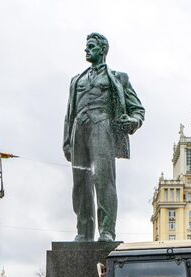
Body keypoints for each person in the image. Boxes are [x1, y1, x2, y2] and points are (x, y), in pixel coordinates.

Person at [63, 33, 145, 242]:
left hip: (103, 126)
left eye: (91, 46)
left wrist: (133, 121)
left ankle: (107, 231)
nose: (86, 50)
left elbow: (138, 109)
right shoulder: (76, 80)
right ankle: (84, 232)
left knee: (103, 179)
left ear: (102, 49)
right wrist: (66, 141)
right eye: (86, 46)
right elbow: (69, 114)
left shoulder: (118, 77)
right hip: (78, 130)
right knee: (80, 182)